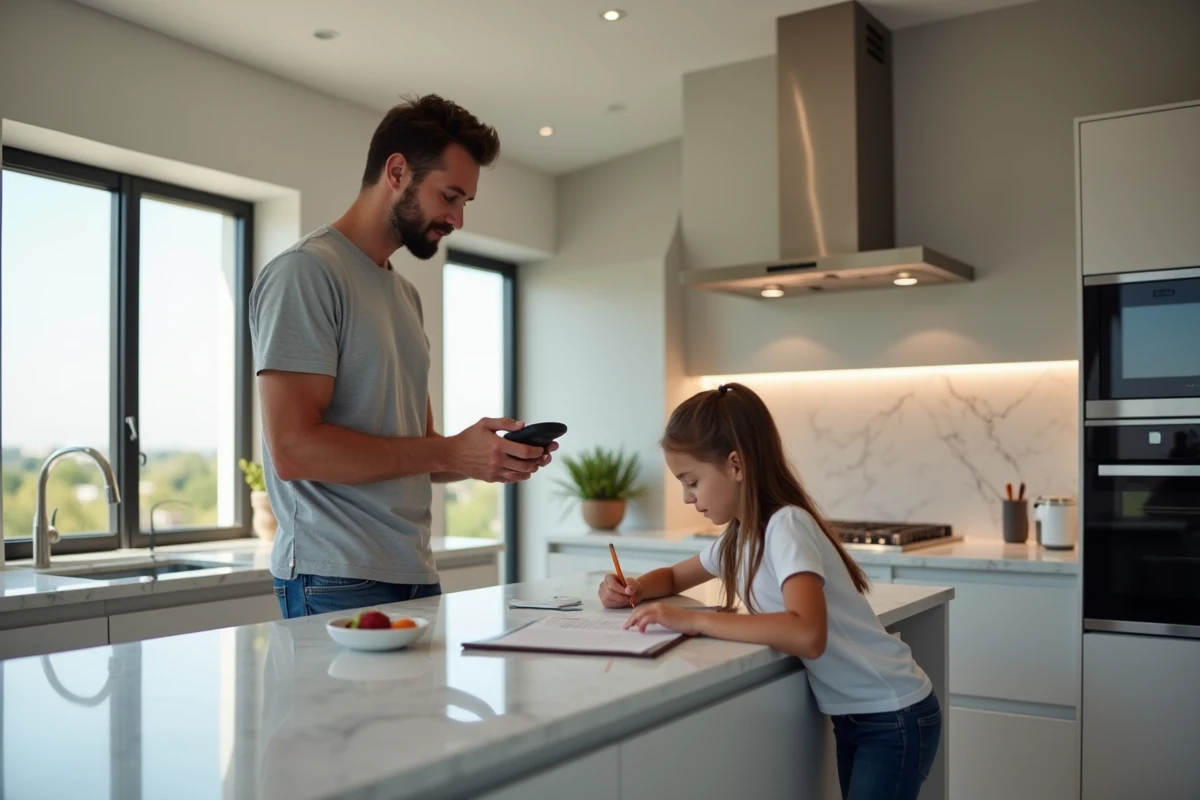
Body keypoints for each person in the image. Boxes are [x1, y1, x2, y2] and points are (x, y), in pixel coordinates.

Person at [250, 94, 554, 619]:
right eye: (450, 196)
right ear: (397, 172)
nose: (457, 218)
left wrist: (480, 456)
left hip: (413, 573)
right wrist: (447, 453)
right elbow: (294, 449)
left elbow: (419, 450)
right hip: (334, 576)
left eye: (465, 203)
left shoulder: (404, 295)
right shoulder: (306, 273)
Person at [597, 382, 941, 800]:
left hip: (893, 714)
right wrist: (630, 587)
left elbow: (806, 634)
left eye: (692, 481)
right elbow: (671, 578)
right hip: (861, 716)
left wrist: (693, 620)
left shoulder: (786, 526)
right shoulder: (739, 538)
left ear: (736, 465)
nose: (688, 498)